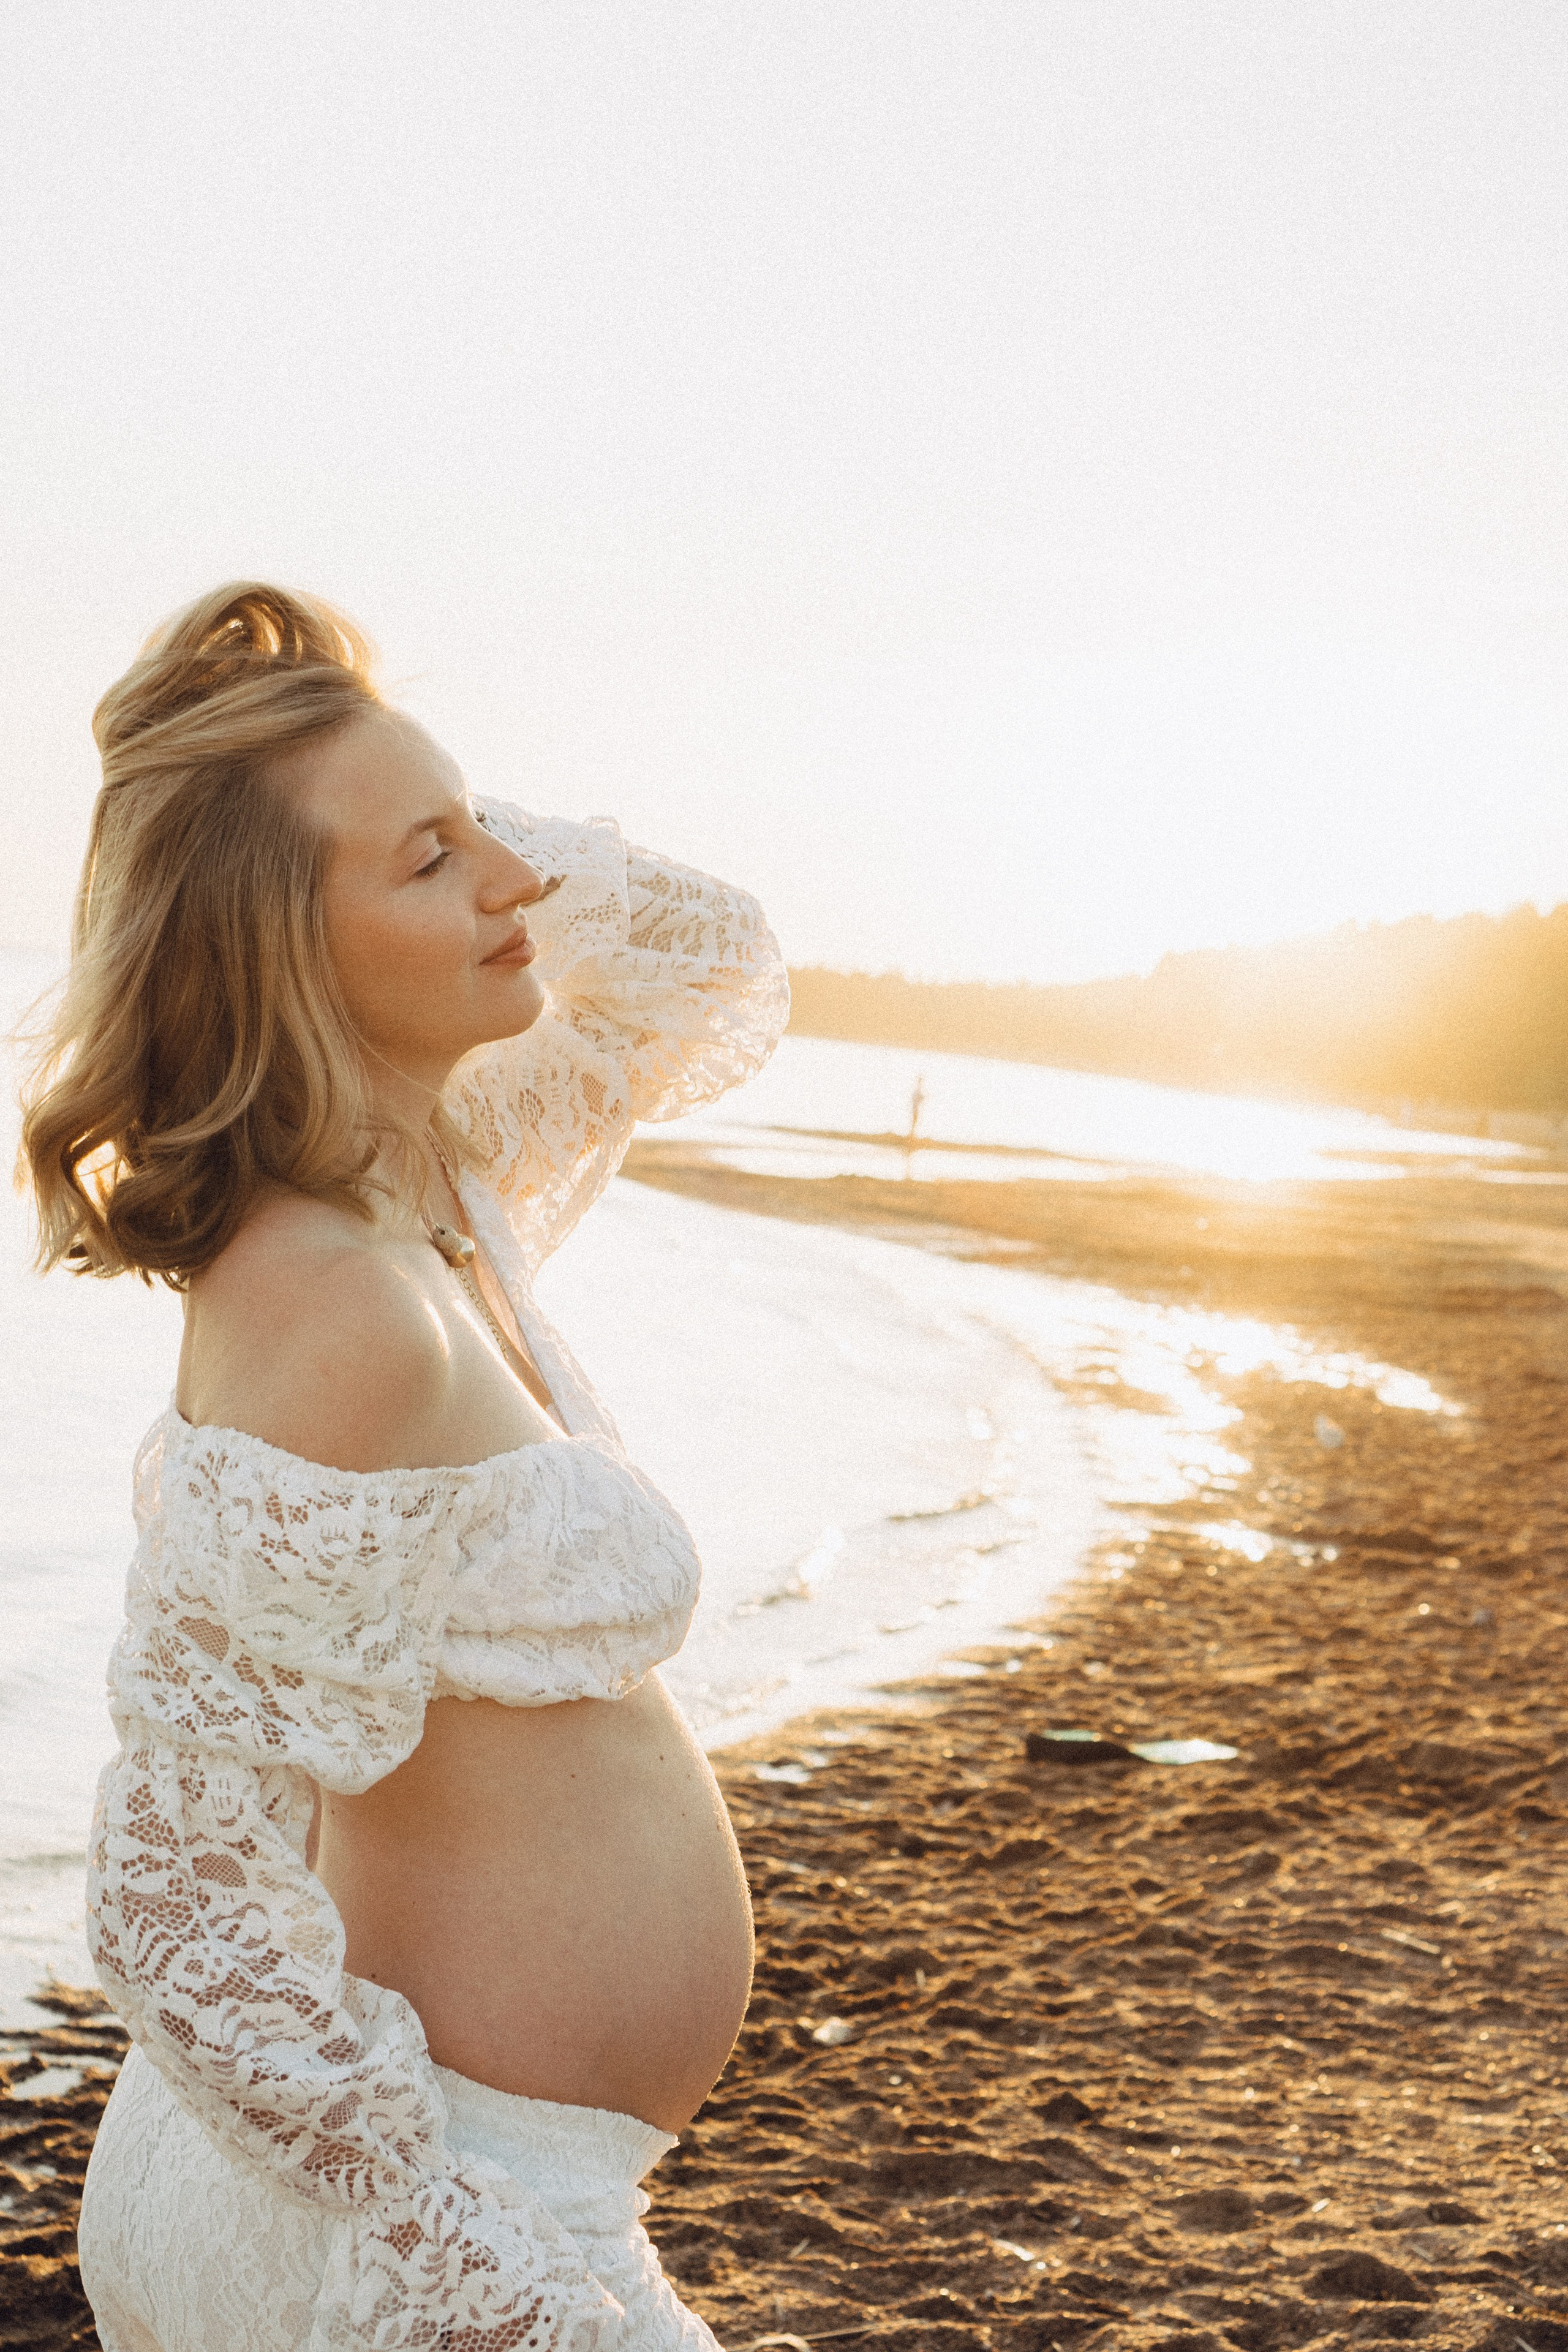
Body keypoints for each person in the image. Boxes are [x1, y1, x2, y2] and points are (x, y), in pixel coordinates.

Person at [18, 583, 791, 2350]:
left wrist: (412, 795)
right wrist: (471, 2268)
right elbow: (174, 1892)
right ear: (284, 950)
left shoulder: (434, 1191)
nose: (517, 883)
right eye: (435, 862)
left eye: (486, 836)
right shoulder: (338, 1312)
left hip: (475, 2175)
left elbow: (704, 960)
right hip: (410, 2206)